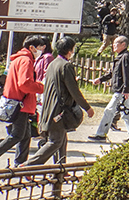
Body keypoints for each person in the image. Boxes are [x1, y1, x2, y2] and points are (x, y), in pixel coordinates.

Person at [0, 35, 46, 170]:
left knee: (25, 135)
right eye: (40, 48)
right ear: (32, 47)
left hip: (15, 101)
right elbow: (24, 84)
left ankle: (20, 163)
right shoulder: (26, 60)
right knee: (17, 135)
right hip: (21, 103)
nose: (41, 50)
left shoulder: (17, 59)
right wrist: (41, 87)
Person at [28, 37, 94, 166]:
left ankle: (60, 169)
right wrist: (87, 107)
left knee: (62, 140)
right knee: (55, 141)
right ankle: (28, 165)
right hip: (58, 109)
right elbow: (73, 90)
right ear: (69, 51)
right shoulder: (66, 66)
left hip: (49, 107)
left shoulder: (53, 64)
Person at [87, 35, 129, 141]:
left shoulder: (125, 57)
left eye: (116, 43)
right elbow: (112, 72)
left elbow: (128, 74)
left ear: (123, 44)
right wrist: (100, 79)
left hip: (121, 91)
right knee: (126, 112)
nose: (113, 45)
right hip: (121, 90)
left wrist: (126, 90)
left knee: (110, 111)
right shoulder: (120, 56)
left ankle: (101, 134)